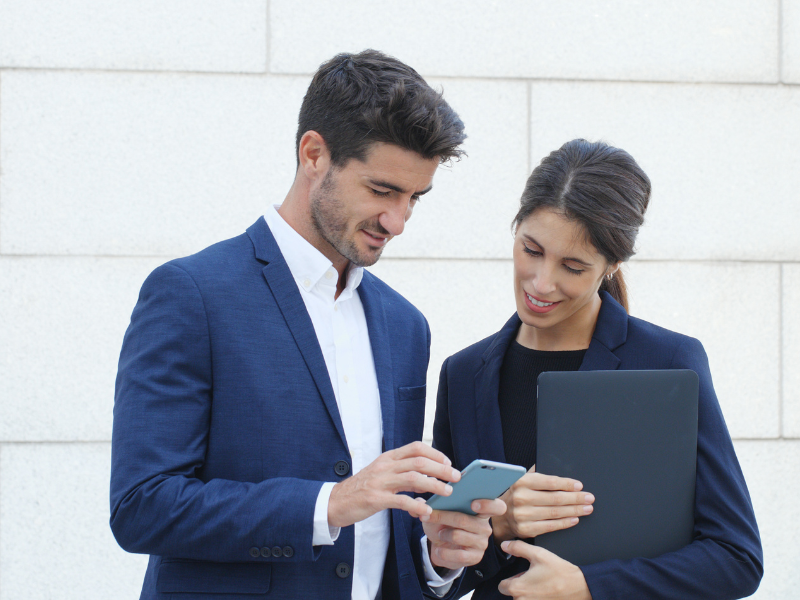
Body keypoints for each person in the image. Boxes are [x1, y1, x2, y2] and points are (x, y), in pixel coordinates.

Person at [110, 49, 505, 600]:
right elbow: (142, 507)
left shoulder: (404, 325)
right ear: (314, 154)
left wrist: (435, 557)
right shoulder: (192, 294)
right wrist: (330, 503)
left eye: (414, 198)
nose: (398, 222)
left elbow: (377, 533)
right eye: (382, 190)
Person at [431, 139, 763, 599]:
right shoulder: (464, 373)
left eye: (572, 266)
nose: (542, 282)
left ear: (611, 266)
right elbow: (443, 571)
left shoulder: (667, 364)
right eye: (531, 249)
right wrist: (495, 518)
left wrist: (589, 587)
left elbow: (736, 557)